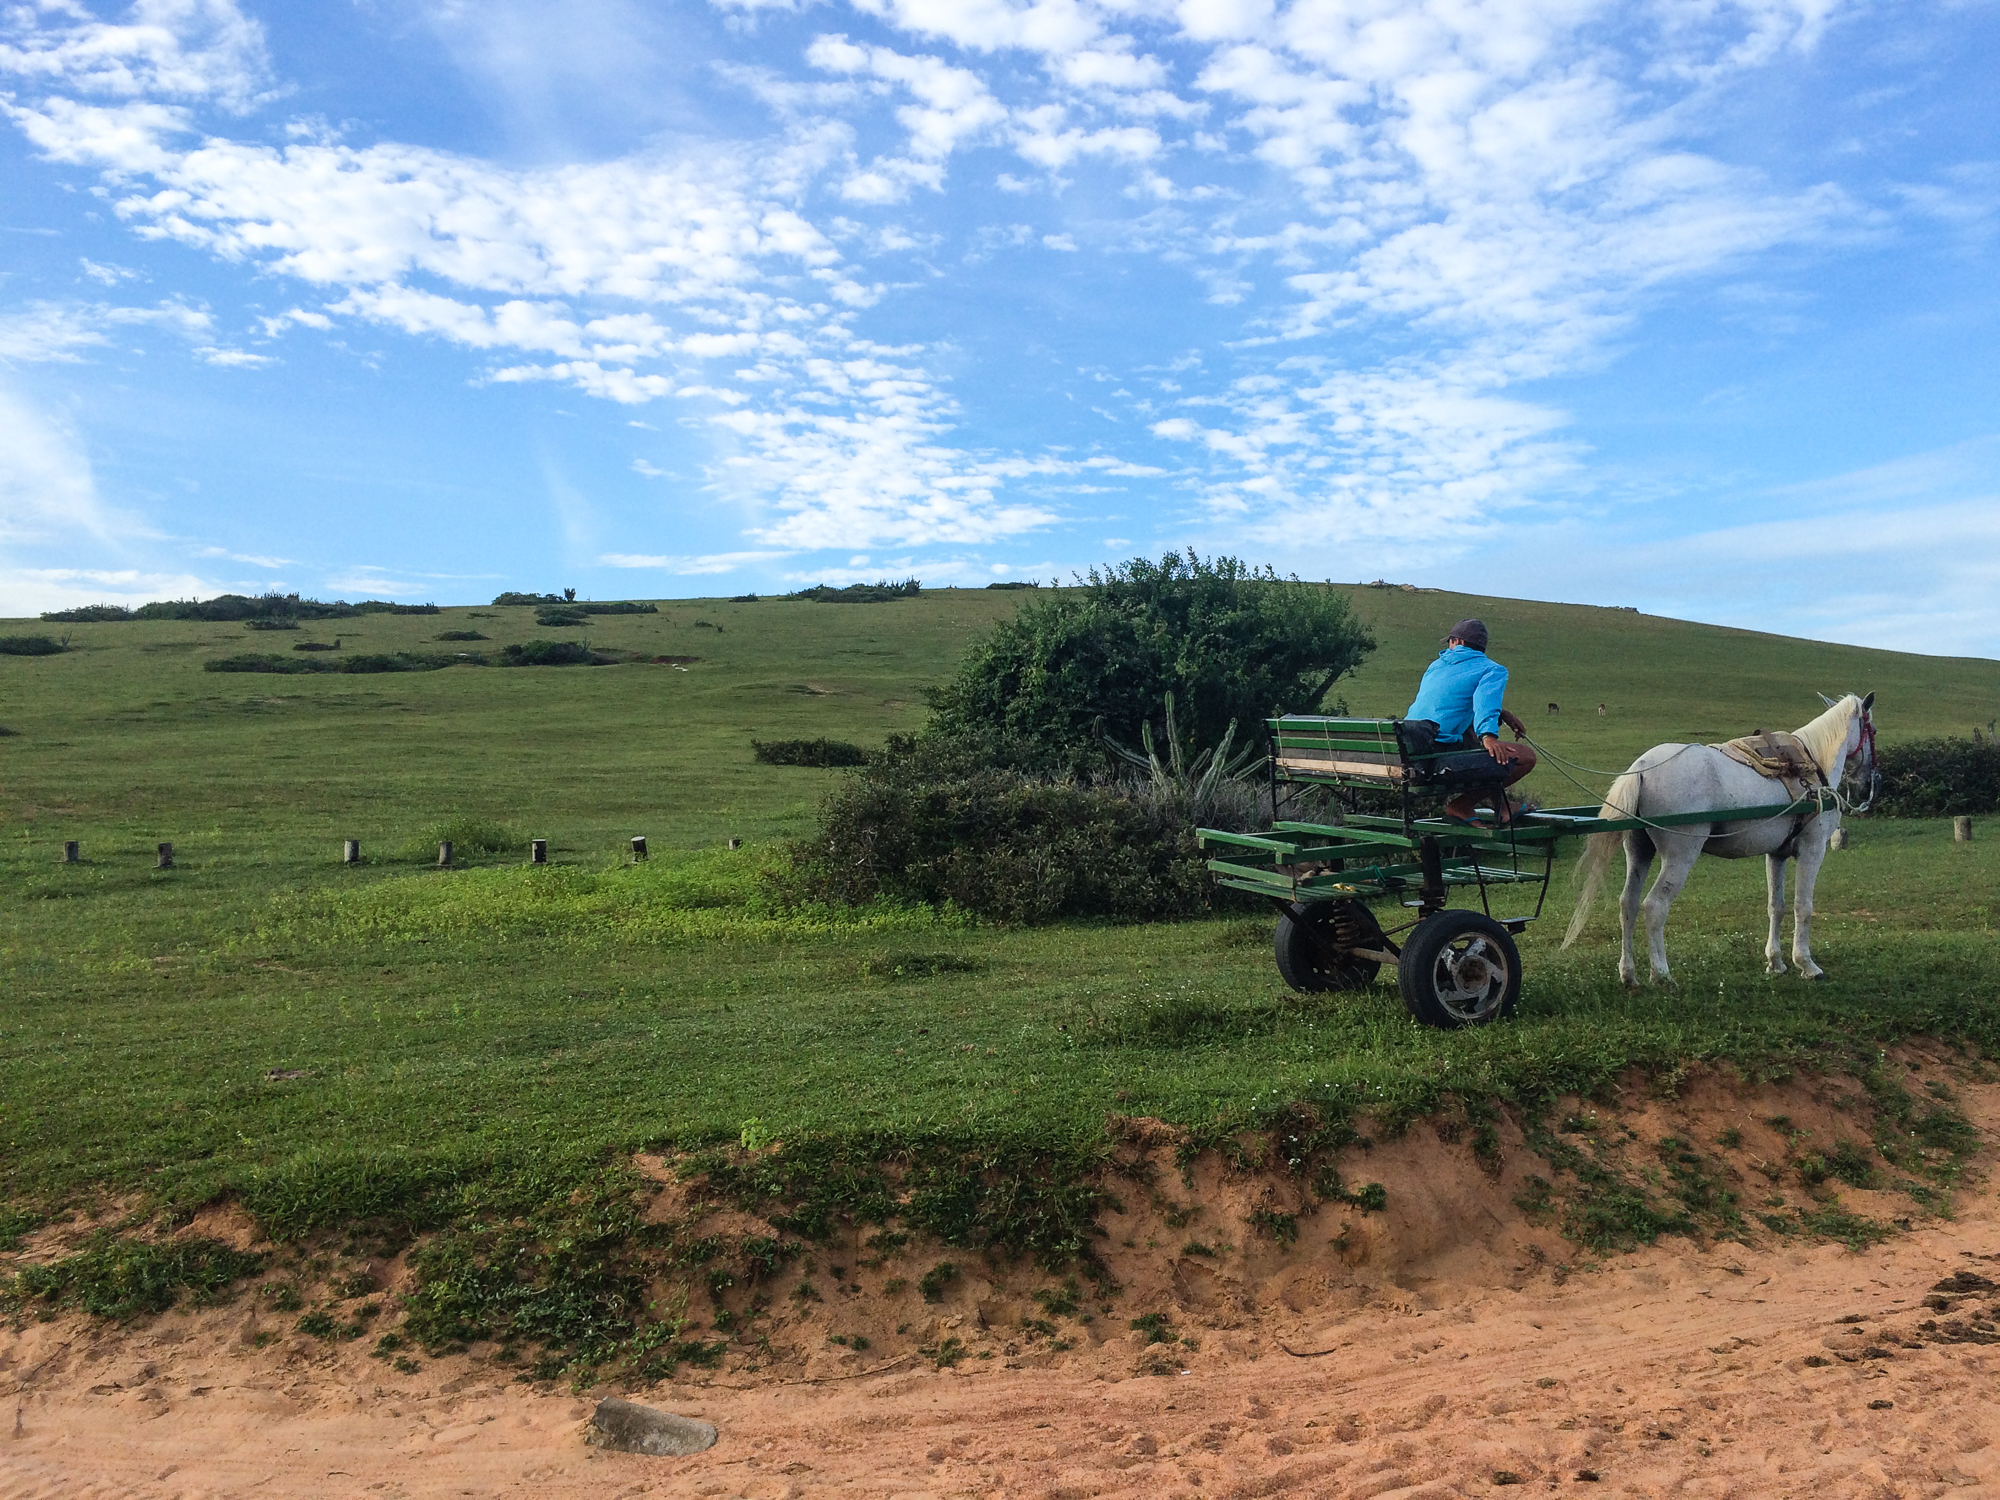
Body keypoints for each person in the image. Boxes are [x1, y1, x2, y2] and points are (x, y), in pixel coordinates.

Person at [1404, 618, 1538, 826]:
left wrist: (1501, 713)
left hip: (1409, 750)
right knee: (1525, 757)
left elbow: (1451, 701)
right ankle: (1462, 805)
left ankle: (1503, 806)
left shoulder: (1436, 666)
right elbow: (1484, 701)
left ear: (1457, 642)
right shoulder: (1491, 669)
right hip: (1435, 756)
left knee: (1472, 737)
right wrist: (1489, 736)